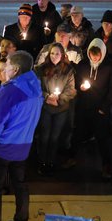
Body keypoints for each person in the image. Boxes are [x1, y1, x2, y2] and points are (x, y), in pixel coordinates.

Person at [0, 51, 43, 221]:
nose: (5, 68)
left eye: (7, 65)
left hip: (2, 148)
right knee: (21, 187)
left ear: (15, 69)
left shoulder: (10, 91)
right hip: (23, 147)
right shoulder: (35, 87)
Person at [73, 38, 112, 179]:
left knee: (102, 137)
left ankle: (107, 165)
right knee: (78, 133)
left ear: (103, 53)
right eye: (92, 55)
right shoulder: (83, 65)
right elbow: (76, 82)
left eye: (97, 55)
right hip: (84, 106)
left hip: (100, 108)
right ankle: (72, 158)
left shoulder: (110, 67)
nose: (94, 58)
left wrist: (104, 107)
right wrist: (80, 88)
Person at [35, 43, 76, 175]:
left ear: (62, 55)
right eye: (52, 53)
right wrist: (47, 97)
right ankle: (42, 161)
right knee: (45, 135)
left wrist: (58, 100)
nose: (54, 56)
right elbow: (36, 87)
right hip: (46, 108)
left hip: (61, 109)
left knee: (55, 136)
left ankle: (51, 161)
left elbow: (71, 90)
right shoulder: (41, 69)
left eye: (57, 54)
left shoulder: (68, 70)